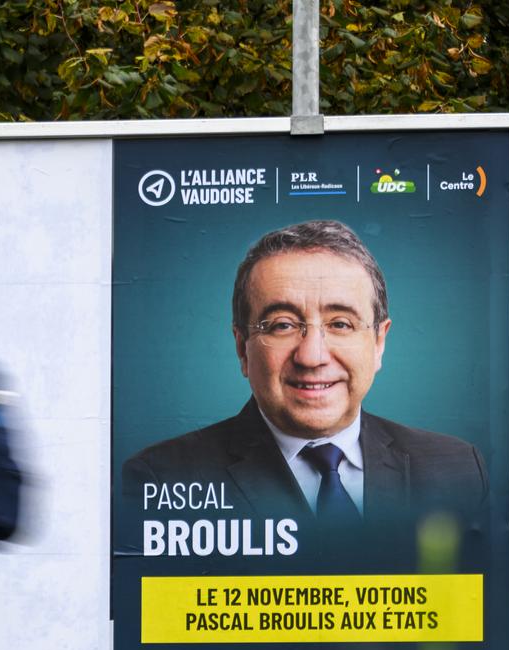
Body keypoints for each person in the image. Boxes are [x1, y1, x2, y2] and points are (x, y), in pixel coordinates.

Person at [120, 218, 486, 545]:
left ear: (378, 342)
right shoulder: (162, 479)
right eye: (282, 325)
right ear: (242, 349)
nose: (312, 356)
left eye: (340, 324)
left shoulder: (457, 469)